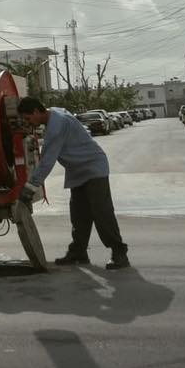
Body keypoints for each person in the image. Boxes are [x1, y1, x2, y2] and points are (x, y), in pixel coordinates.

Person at [17, 97, 130, 269]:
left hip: (93, 168)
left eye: (27, 118)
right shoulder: (54, 112)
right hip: (78, 171)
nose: (28, 122)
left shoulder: (56, 126)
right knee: (79, 214)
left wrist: (30, 187)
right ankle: (78, 252)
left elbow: (47, 160)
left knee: (102, 213)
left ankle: (119, 253)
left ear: (36, 112)